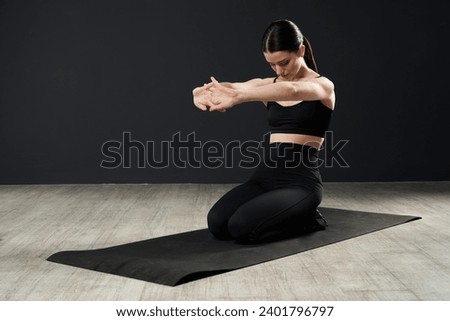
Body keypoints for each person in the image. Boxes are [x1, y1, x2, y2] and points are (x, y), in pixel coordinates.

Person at [192, 19, 335, 244]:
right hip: (264, 179)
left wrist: (239, 97)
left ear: (301, 50)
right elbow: (236, 86)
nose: (279, 70)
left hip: (300, 184)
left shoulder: (323, 86)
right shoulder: (271, 84)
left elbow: (293, 89)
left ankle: (308, 219)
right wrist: (205, 92)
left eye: (284, 62)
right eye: (272, 65)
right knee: (218, 223)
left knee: (241, 228)